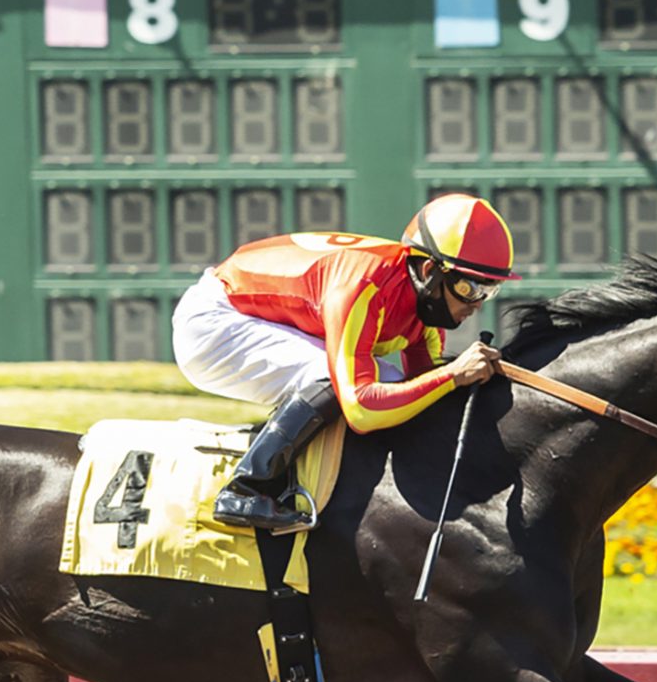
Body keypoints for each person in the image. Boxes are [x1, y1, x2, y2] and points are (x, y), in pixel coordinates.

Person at [172, 192, 521, 533]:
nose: (477, 304)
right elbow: (362, 409)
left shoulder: (422, 308)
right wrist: (452, 375)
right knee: (333, 376)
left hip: (258, 315)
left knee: (396, 381)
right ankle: (246, 488)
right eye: (470, 287)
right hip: (213, 323)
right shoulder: (363, 286)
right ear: (430, 270)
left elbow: (425, 391)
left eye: (489, 291)